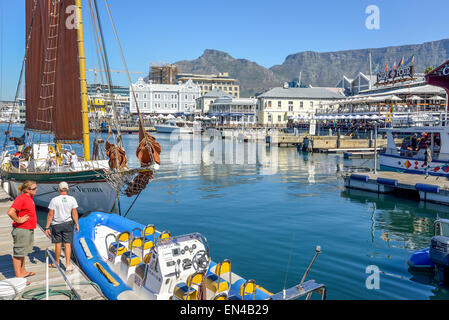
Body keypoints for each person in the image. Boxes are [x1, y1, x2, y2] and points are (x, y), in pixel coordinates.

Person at [7, 181, 38, 285]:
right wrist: (19, 220)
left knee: (23, 252)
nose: (36, 190)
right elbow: (11, 212)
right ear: (26, 190)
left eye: (36, 188)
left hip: (27, 228)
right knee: (18, 253)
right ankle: (18, 277)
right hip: (22, 229)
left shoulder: (29, 197)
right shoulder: (22, 198)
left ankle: (23, 271)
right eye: (33, 189)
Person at [44, 182, 79, 271]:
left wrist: (47, 227)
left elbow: (50, 214)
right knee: (67, 244)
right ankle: (68, 265)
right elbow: (74, 212)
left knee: (58, 244)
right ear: (67, 189)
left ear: (58, 189)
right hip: (68, 224)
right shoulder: (72, 199)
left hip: (56, 225)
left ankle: (57, 263)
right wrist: (77, 224)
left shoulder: (54, 200)